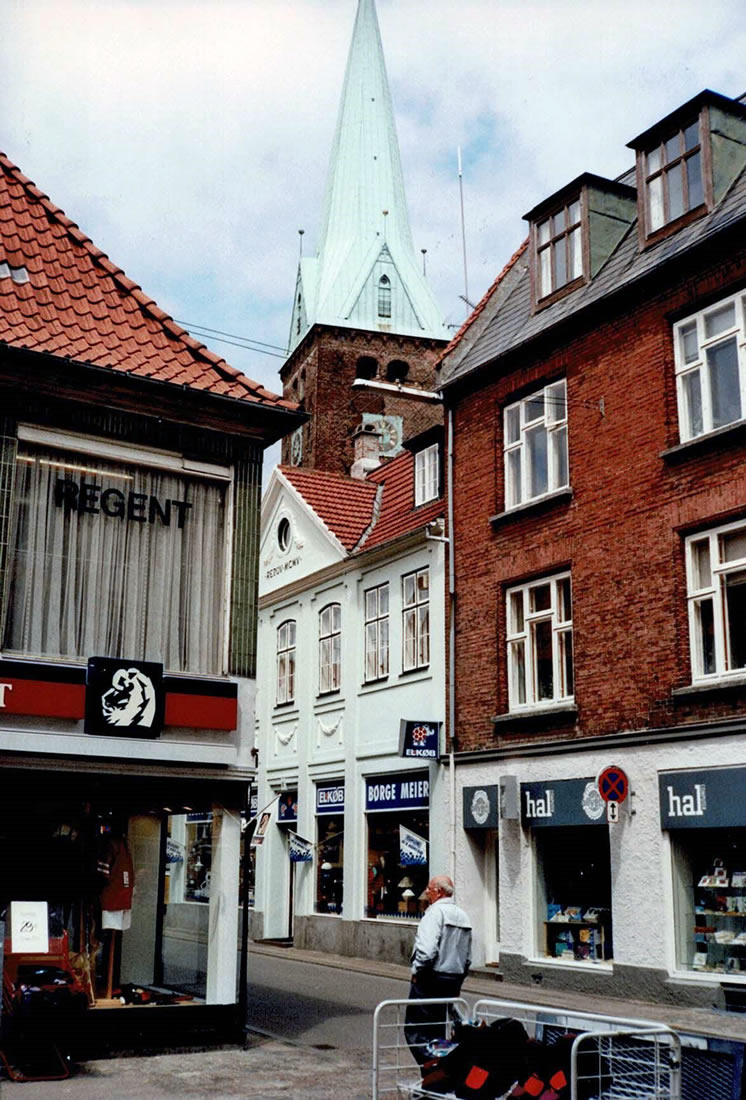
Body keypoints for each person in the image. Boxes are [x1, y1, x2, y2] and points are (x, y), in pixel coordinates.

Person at [405, 874, 472, 1066]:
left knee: (416, 1030)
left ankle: (431, 1067)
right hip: (453, 978)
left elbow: (426, 952)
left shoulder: (434, 914)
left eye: (430, 888)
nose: (426, 892)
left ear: (439, 892)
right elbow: (468, 957)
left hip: (430, 977)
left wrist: (417, 971)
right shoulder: (463, 915)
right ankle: (440, 1068)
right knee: (437, 1028)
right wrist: (459, 977)